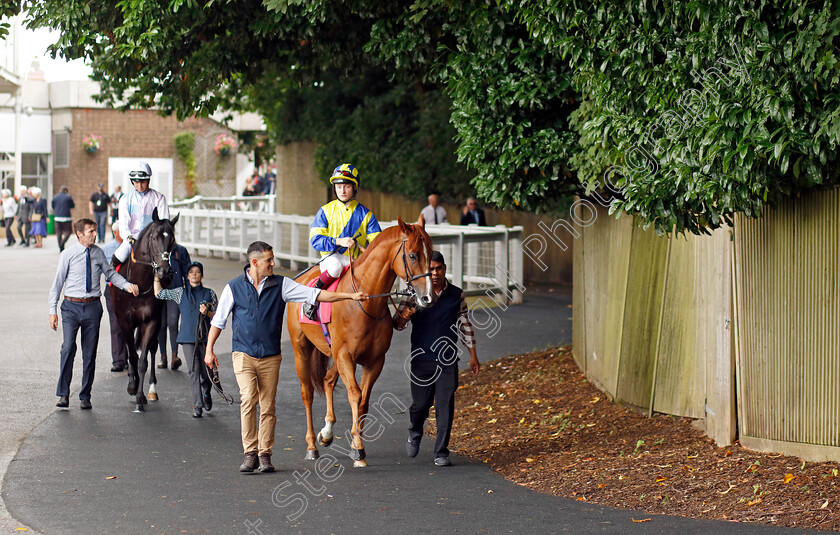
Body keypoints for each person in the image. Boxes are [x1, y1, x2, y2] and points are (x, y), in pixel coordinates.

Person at [204, 241, 368, 472]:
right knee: (249, 399)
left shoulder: (281, 285)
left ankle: (265, 454)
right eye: (269, 260)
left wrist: (349, 297)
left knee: (268, 406)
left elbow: (315, 294)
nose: (273, 263)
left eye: (273, 259)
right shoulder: (233, 288)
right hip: (243, 354)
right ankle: (250, 452)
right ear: (255, 262)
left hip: (271, 356)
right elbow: (218, 321)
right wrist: (209, 350)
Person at [393, 250, 480, 467]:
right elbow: (398, 324)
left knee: (445, 406)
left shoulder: (456, 294)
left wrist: (473, 355)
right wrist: (407, 313)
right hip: (421, 361)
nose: (434, 273)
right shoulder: (414, 292)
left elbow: (465, 325)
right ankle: (415, 431)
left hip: (447, 361)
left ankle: (441, 451)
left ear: (444, 269)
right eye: (430, 269)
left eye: (438, 268)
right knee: (420, 406)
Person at [48, 218, 139, 409]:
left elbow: (110, 274)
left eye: (95, 231)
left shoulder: (98, 253)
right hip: (71, 306)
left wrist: (127, 286)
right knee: (68, 348)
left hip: (92, 307)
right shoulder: (68, 254)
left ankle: (85, 396)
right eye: (90, 231)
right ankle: (63, 394)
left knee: (89, 354)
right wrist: (52, 310)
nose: (94, 234)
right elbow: (57, 283)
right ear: (79, 234)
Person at [304, 163, 381, 320]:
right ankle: (312, 298)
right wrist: (338, 241)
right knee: (335, 267)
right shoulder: (325, 211)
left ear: (354, 188)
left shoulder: (366, 215)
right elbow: (315, 240)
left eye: (346, 186)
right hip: (331, 258)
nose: (342, 191)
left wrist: (367, 250)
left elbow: (377, 243)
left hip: (356, 260)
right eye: (338, 187)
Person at [154, 261, 216, 418]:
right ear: (187, 276)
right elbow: (159, 294)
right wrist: (156, 276)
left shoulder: (210, 293)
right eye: (191, 272)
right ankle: (198, 405)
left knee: (206, 373)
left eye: (198, 271)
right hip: (188, 338)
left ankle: (206, 391)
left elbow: (217, 316)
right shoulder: (181, 292)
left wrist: (207, 311)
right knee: (193, 371)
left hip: (205, 338)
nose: (195, 274)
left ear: (201, 275)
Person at [114, 161, 169, 265]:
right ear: (132, 181)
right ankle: (111, 278)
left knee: (168, 263)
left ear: (148, 180)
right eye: (136, 182)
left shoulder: (160, 198)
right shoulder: (125, 199)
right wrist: (129, 237)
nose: (139, 185)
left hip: (154, 240)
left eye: (143, 182)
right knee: (118, 256)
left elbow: (164, 223)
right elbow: (123, 224)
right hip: (132, 239)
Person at [157, 242, 191, 370]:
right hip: (159, 291)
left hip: (176, 291)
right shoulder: (156, 249)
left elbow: (187, 273)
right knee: (161, 324)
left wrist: (188, 293)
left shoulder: (180, 251)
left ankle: (174, 356)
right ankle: (163, 356)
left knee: (172, 323)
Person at [101, 222, 129, 372]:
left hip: (130, 290)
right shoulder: (105, 250)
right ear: (115, 233)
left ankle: (129, 356)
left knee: (129, 324)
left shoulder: (132, 248)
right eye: (122, 231)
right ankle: (118, 359)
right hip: (112, 289)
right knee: (116, 323)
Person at [52, 185, 75, 252]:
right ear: (66, 191)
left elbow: (53, 206)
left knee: (59, 232)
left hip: (57, 217)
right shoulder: (68, 197)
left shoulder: (55, 197)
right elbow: (72, 205)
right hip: (66, 217)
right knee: (69, 231)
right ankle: (62, 244)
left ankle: (60, 246)